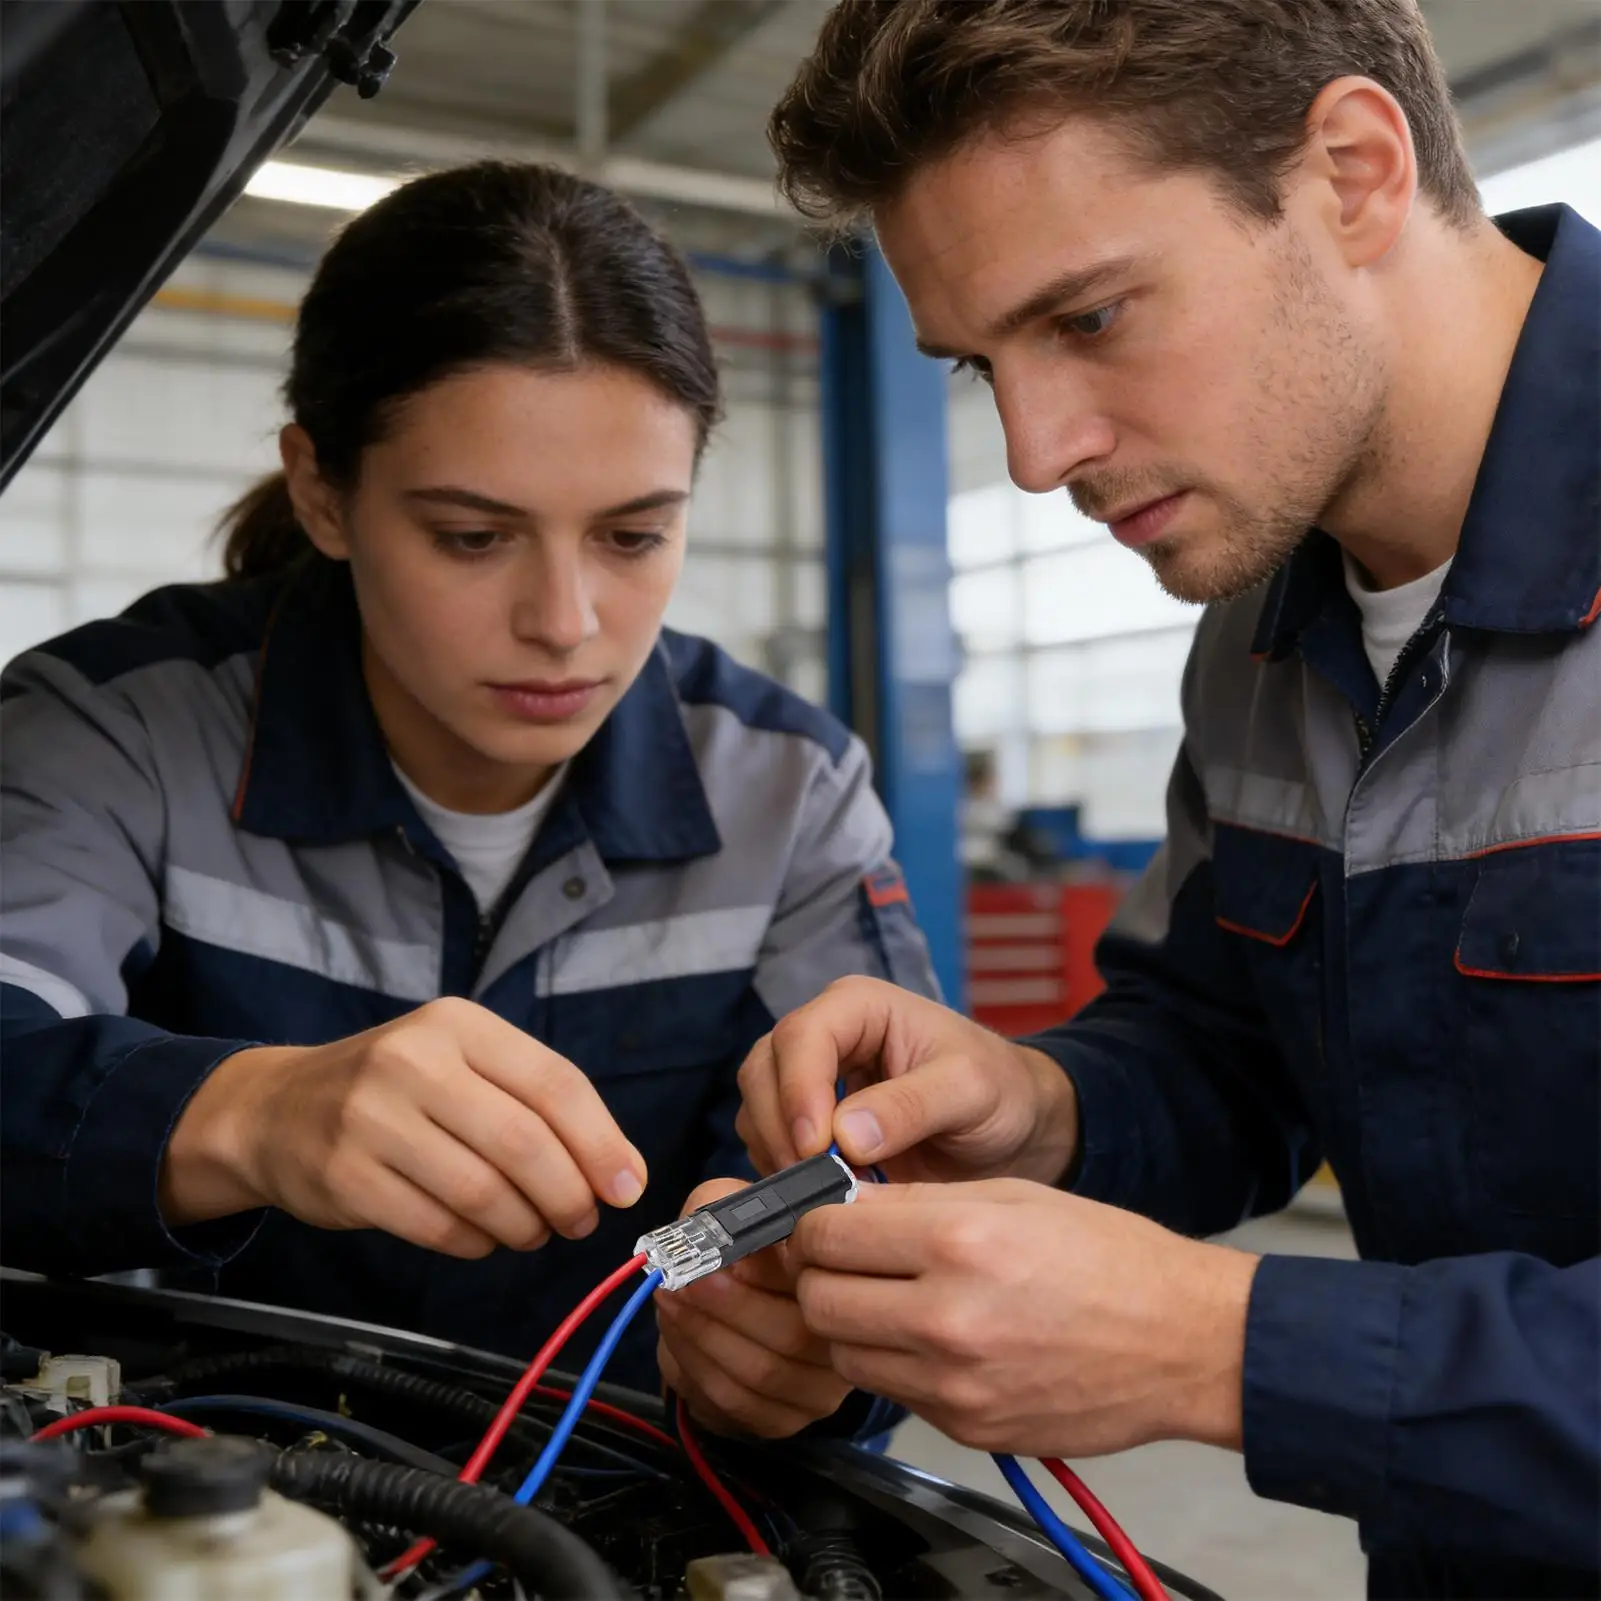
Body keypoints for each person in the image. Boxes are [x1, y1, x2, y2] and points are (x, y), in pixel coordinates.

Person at [653, 1, 1601, 1593]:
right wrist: (1036, 1113)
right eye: (983, 365)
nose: (1036, 454)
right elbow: (1237, 1056)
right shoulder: (1259, 625)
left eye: (1087, 317)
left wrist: (1217, 1344)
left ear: (1353, 173)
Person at [0, 160, 936, 1422]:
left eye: (633, 535)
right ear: (323, 491)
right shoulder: (116, 729)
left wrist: (808, 1359)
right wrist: (250, 1113)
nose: (565, 622)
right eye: (472, 537)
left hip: (626, 1477)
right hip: (199, 1464)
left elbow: (876, 1176)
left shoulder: (788, 791)